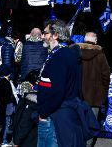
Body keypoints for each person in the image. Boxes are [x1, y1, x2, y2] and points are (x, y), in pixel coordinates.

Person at [37, 19, 98, 147]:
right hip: (64, 113)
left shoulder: (59, 56)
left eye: (46, 33)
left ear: (56, 35)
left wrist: (43, 112)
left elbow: (56, 91)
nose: (43, 36)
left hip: (56, 116)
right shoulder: (66, 54)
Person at [77, 31, 110, 147]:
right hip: (95, 95)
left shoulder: (76, 52)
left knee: (78, 121)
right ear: (95, 41)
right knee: (91, 122)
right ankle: (88, 144)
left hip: (78, 94)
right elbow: (106, 76)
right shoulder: (100, 54)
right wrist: (104, 92)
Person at [11, 70, 39, 147]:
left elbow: (25, 123)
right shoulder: (43, 101)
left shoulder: (29, 103)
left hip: (27, 141)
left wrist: (17, 140)